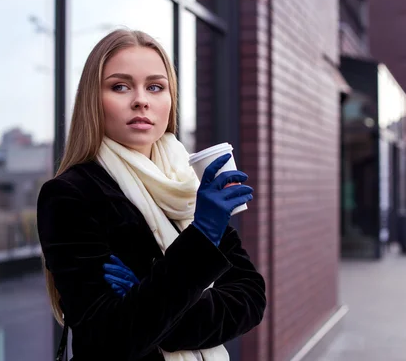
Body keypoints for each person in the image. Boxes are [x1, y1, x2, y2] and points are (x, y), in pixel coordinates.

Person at [37, 29, 266, 361]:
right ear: (93, 100)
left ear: (170, 102)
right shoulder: (70, 195)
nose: (141, 100)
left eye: (155, 87)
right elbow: (110, 340)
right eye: (120, 86)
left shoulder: (186, 184)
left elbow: (251, 300)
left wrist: (150, 298)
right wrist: (202, 235)